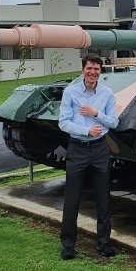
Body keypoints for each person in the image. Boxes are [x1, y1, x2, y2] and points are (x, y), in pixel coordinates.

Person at [58, 53, 119, 259]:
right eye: (89, 68)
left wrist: (95, 113)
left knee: (103, 198)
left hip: (101, 149)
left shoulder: (107, 93)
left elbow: (113, 122)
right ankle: (68, 245)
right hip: (77, 148)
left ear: (101, 71)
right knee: (72, 199)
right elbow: (63, 122)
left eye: (96, 69)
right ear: (83, 69)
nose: (92, 72)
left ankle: (104, 243)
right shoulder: (71, 92)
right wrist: (86, 131)